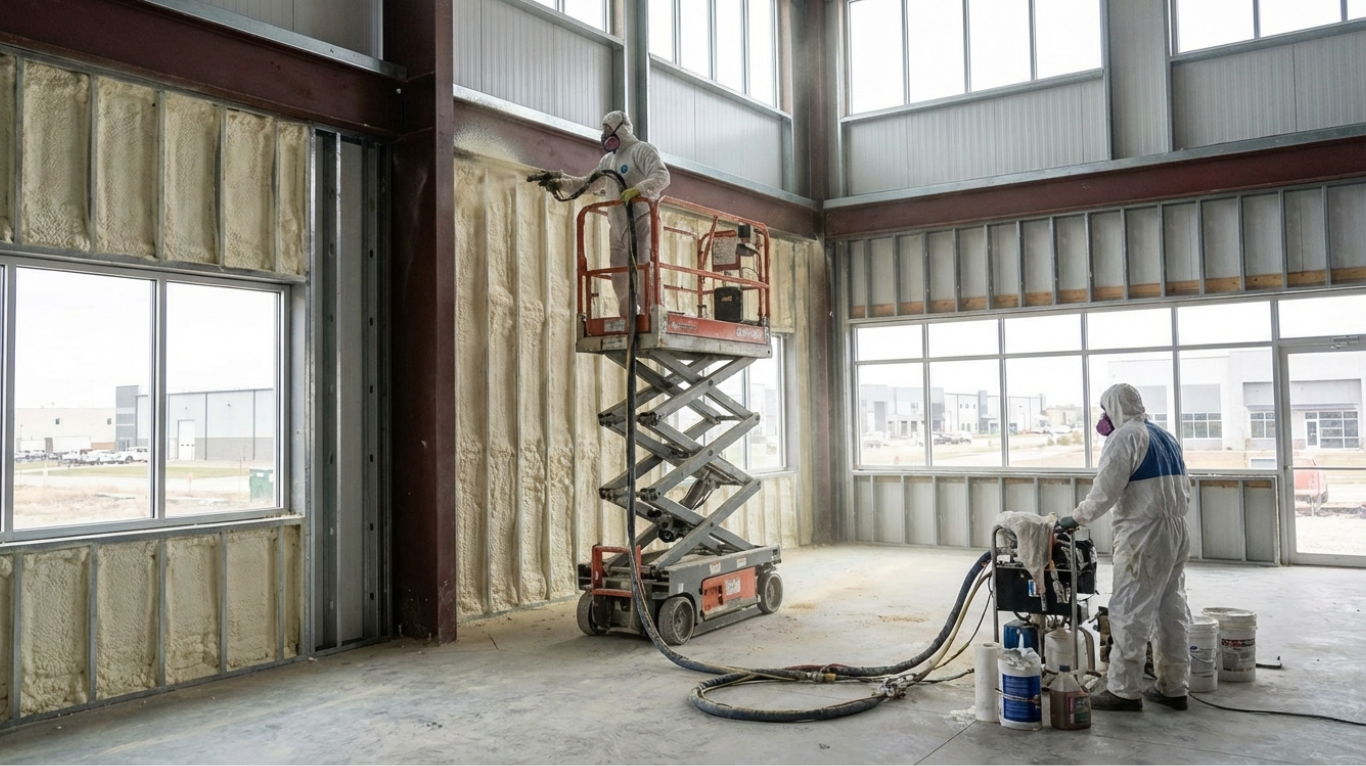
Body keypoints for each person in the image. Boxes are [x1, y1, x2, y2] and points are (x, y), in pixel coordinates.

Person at [1058, 383, 1192, 712]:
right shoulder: (1164, 436)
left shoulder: (1125, 437)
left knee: (1129, 609)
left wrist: (1075, 519)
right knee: (1170, 610)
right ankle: (1175, 687)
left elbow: (1106, 491)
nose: (1103, 419)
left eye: (1105, 411)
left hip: (1144, 533)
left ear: (1115, 409)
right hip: (1176, 529)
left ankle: (1123, 690)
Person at [538, 111, 670, 318]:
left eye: (608, 129)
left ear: (621, 130)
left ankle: (655, 314)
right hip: (617, 224)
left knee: (645, 269)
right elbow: (586, 184)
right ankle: (629, 318)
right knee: (619, 274)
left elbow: (662, 176)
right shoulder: (607, 161)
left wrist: (639, 189)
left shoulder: (642, 150)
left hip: (642, 220)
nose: (604, 134)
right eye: (604, 130)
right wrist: (559, 182)